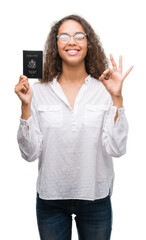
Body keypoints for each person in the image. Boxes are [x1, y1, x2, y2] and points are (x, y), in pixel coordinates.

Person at [14, 14, 133, 240]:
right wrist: (25, 107)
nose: (72, 41)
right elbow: (29, 154)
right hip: (51, 198)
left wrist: (117, 98)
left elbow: (117, 149)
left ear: (89, 43)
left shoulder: (105, 89)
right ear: (55, 44)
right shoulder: (38, 91)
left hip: (95, 196)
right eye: (64, 36)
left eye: (79, 35)